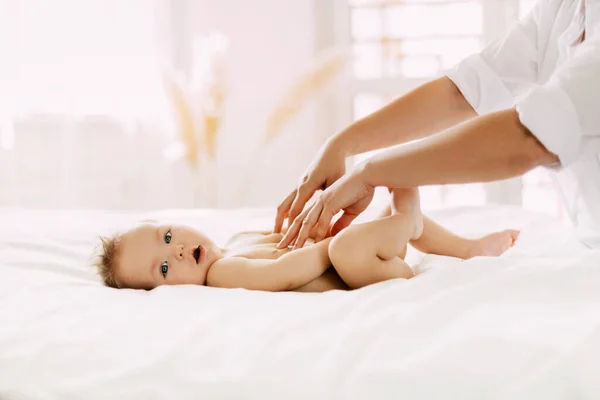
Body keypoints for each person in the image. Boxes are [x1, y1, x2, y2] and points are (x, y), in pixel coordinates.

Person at [276, 0, 600, 250]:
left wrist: (368, 173)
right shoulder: (566, 8)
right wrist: (343, 144)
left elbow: (529, 140)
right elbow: (463, 92)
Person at [93, 189, 518, 292]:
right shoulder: (221, 274)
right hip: (358, 274)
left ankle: (467, 248)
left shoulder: (237, 240)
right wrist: (330, 241)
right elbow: (283, 270)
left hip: (365, 261)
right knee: (344, 246)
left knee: (352, 238)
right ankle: (406, 220)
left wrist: (315, 225)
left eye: (167, 237)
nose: (179, 250)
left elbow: (289, 241)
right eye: (165, 267)